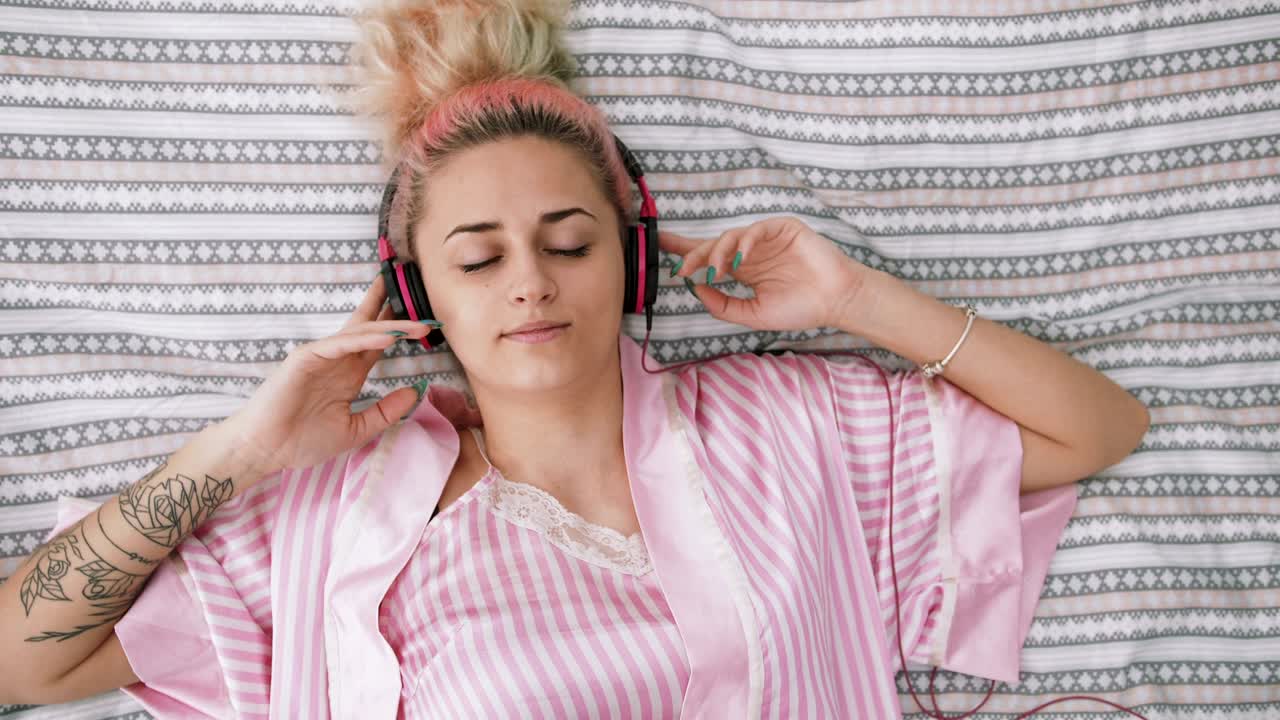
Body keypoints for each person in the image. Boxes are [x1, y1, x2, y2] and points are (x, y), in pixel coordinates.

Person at [0, 0, 1150, 717]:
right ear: (417, 298)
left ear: (632, 262)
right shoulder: (329, 525)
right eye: (476, 258)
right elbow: (23, 664)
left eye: (567, 241)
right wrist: (239, 451)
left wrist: (852, 295)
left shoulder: (793, 426)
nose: (530, 283)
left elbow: (1095, 430)